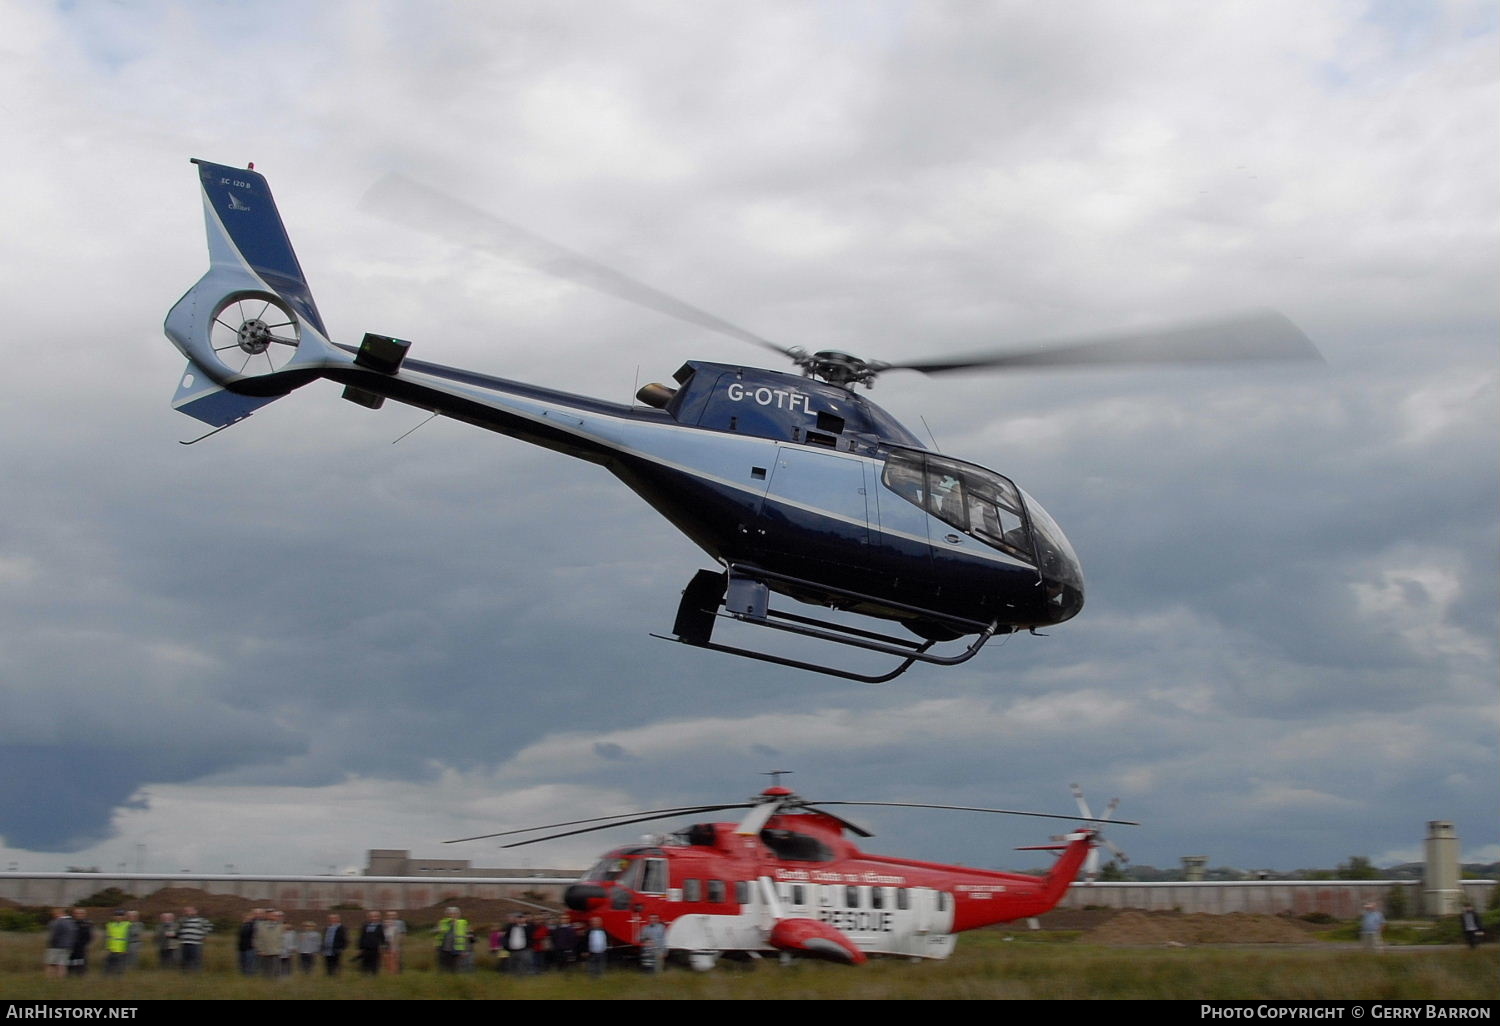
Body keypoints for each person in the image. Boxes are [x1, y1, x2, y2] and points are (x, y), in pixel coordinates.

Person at [176, 907, 211, 971]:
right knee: (184, 959)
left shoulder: (201, 920)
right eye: (186, 911)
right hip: (184, 942)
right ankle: (185, 973)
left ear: (195, 911)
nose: (188, 912)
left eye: (190, 911)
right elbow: (177, 929)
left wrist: (203, 935)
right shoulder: (182, 920)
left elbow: (209, 927)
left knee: (196, 959)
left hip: (196, 943)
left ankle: (196, 973)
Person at [435, 907, 469, 973]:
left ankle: (454, 981)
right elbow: (437, 934)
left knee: (455, 968)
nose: (452, 916)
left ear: (458, 915)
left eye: (454, 914)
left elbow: (465, 937)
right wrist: (437, 931)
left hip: (457, 949)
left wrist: (465, 950)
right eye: (450, 914)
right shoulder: (443, 922)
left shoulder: (462, 923)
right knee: (443, 968)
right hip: (443, 949)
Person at [44, 908, 76, 979]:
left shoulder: (57, 922)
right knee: (62, 965)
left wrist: (50, 943)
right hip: (68, 946)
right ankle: (61, 980)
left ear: (58, 914)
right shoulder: (72, 922)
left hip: (56, 946)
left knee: (50, 964)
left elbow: (54, 935)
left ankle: (50, 979)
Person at [357, 910, 386, 974]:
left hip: (375, 948)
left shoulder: (380, 926)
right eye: (372, 916)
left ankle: (374, 976)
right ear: (369, 917)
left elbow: (382, 938)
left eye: (376, 916)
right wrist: (360, 948)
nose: (374, 918)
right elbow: (361, 937)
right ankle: (365, 976)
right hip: (366, 948)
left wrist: (383, 947)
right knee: (365, 963)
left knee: (375, 963)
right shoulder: (365, 925)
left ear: (379, 917)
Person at [103, 909, 131, 975]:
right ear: (113, 917)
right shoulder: (110, 925)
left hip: (122, 950)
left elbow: (129, 938)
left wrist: (127, 949)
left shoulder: (128, 925)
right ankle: (107, 978)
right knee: (108, 966)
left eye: (121, 915)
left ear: (124, 917)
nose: (118, 917)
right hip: (111, 949)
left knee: (120, 966)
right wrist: (106, 948)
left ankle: (118, 979)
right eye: (117, 915)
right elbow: (107, 937)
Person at [69, 908, 93, 976]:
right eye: (77, 913)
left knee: (81, 962)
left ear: (85, 915)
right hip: (71, 947)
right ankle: (70, 974)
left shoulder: (87, 924)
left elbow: (89, 936)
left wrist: (85, 944)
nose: (79, 915)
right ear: (73, 914)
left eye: (81, 913)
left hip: (82, 947)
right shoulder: (70, 923)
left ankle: (81, 974)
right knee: (71, 962)